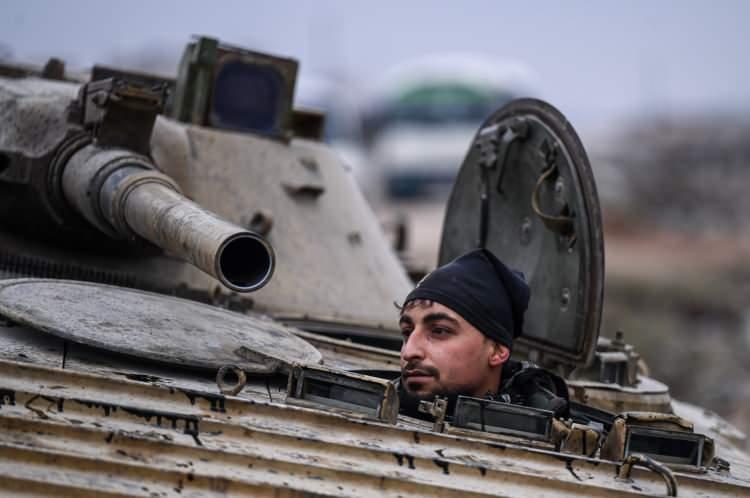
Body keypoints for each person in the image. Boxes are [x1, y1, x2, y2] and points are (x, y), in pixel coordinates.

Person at [398, 248, 568, 418]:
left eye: (439, 331)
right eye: (407, 332)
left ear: (497, 350)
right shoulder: (382, 402)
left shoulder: (543, 430)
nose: (409, 352)